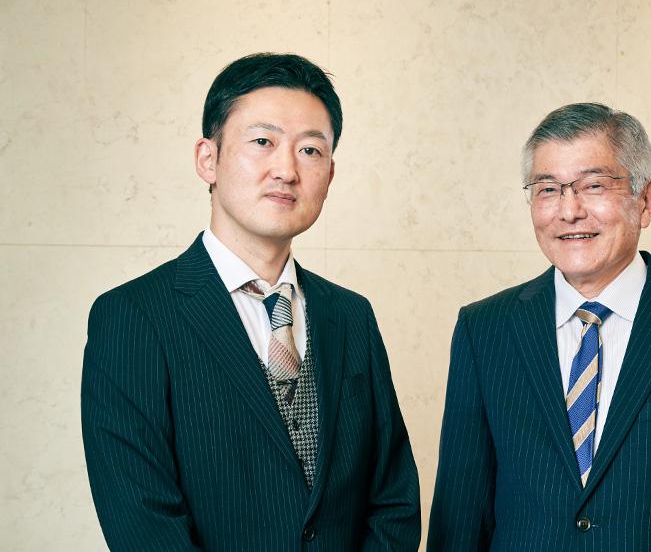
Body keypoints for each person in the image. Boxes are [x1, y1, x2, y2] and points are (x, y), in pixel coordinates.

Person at [82, 53, 420, 551]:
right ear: (208, 159)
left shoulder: (351, 316)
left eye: (310, 150)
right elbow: (142, 519)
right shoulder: (133, 316)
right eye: (263, 142)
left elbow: (393, 499)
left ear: (330, 174)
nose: (286, 169)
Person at [428, 103, 651, 551]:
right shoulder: (484, 330)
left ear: (645, 201)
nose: (569, 211)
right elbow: (459, 519)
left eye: (593, 185)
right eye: (548, 189)